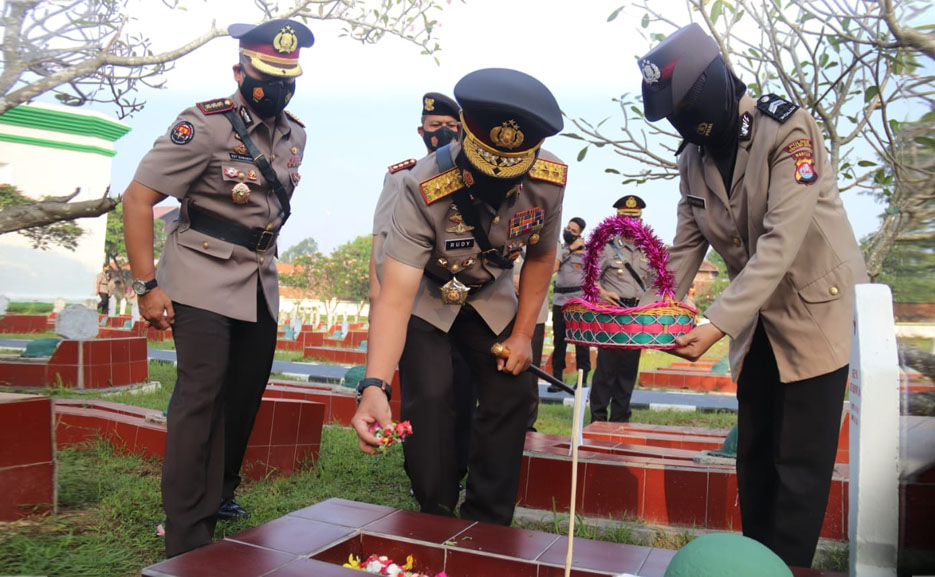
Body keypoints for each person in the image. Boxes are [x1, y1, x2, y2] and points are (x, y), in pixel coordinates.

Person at [637, 23, 868, 567]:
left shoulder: (788, 131)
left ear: (717, 83)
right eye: (673, 117)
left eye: (687, 109)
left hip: (817, 312)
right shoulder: (692, 157)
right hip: (758, 317)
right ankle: (757, 563)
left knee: (800, 462)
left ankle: (787, 568)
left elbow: (779, 242)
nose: (684, 125)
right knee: (756, 452)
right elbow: (685, 246)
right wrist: (646, 312)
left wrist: (716, 323)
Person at [122, 19, 314, 557]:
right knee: (200, 397)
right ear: (240, 70)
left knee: (244, 396)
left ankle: (220, 496)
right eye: (265, 74)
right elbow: (137, 199)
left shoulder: (296, 134)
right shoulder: (203, 125)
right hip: (199, 275)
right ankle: (186, 530)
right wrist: (146, 285)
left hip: (258, 282)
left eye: (287, 76)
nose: (276, 85)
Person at [351, 68, 566, 526]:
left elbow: (542, 257)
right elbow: (395, 296)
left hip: (490, 296)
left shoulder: (547, 181)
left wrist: (525, 334)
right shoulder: (420, 187)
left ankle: (488, 520)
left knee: (513, 389)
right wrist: (375, 386)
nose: (496, 190)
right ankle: (435, 509)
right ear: (464, 133)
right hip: (429, 296)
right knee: (430, 394)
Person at [369, 92, 475, 488]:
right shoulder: (403, 177)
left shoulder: (475, 176)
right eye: (435, 127)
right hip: (417, 298)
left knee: (463, 394)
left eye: (451, 126)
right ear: (421, 131)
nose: (443, 133)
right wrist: (377, 301)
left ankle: (457, 470)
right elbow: (381, 243)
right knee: (426, 395)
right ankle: (428, 482)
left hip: (468, 300)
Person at [588, 196, 652, 424]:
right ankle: (597, 419)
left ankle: (620, 420)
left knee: (627, 371)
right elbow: (588, 279)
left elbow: (659, 281)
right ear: (617, 219)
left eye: (635, 218)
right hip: (612, 313)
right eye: (626, 217)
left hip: (636, 314)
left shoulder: (649, 249)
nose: (631, 222)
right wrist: (603, 295)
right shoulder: (605, 248)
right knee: (606, 370)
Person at [550, 217, 590, 391]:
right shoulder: (559, 248)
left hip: (578, 302)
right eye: (567, 228)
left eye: (573, 231)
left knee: (581, 342)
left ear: (580, 234)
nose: (568, 232)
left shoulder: (587, 252)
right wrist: (569, 249)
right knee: (559, 341)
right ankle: (557, 379)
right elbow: (553, 267)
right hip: (559, 301)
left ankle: (582, 380)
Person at [512, 249, 549, 431]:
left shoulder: (543, 233)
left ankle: (527, 424)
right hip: (499, 310)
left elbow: (550, 264)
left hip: (534, 315)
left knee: (530, 372)